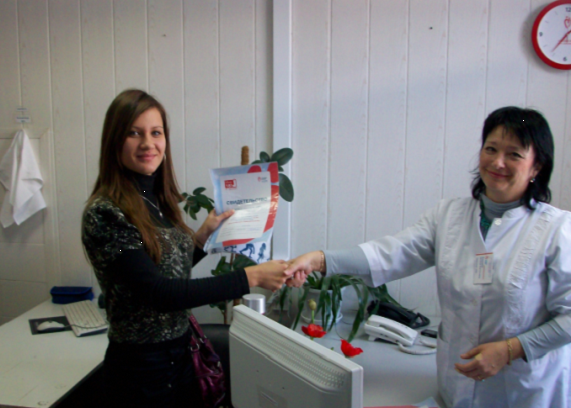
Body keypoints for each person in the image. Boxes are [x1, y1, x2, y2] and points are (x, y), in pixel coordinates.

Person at [285, 107, 571, 408]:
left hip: (525, 392)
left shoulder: (557, 230)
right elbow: (390, 253)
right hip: (457, 387)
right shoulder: (450, 216)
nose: (498, 162)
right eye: (491, 149)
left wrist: (511, 349)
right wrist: (318, 260)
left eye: (514, 154)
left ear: (537, 167)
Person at [81, 89, 293, 408]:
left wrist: (204, 237)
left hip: (181, 357)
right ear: (114, 140)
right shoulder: (106, 213)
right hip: (141, 371)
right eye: (134, 133)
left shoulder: (156, 200)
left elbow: (165, 268)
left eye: (156, 133)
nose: (148, 143)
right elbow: (158, 293)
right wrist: (251, 277)